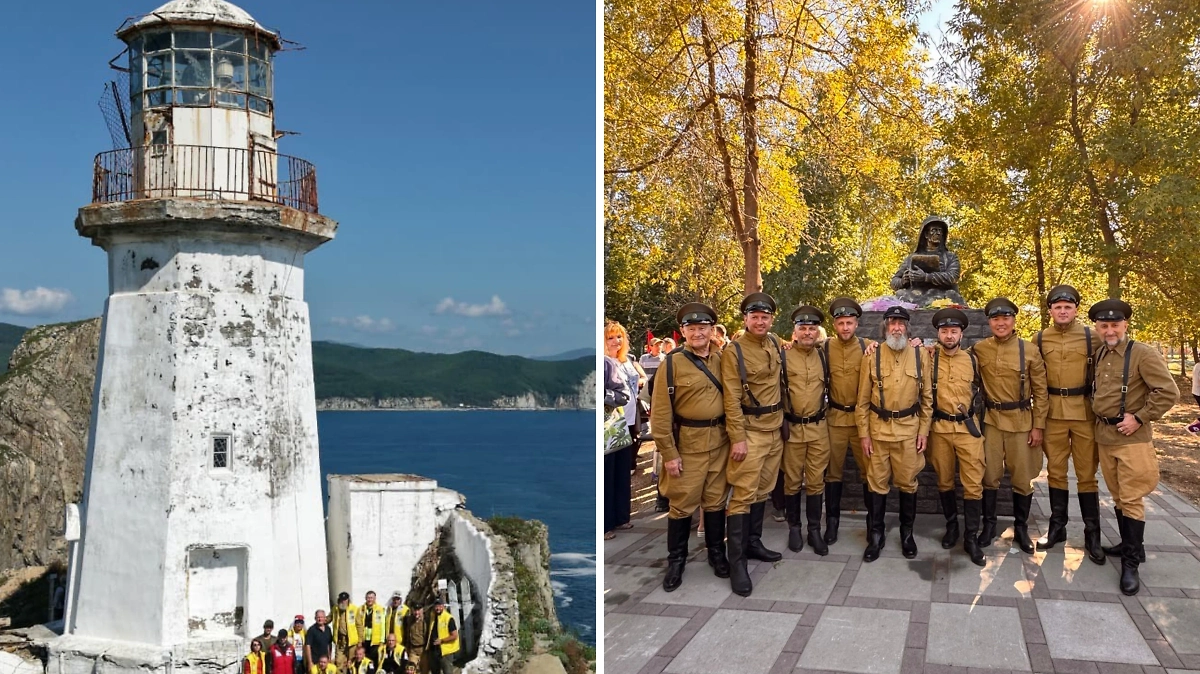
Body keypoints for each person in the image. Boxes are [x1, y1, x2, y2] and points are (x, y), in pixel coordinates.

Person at [1089, 299, 1179, 595]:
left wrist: (1139, 418)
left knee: (1131, 498)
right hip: (1105, 435)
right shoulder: (1101, 352)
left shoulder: (1142, 353)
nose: (1110, 329)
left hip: (1131, 438)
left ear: (1125, 325)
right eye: (1104, 325)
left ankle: (1131, 564)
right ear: (1098, 328)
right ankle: (1130, 546)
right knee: (1117, 495)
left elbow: (1168, 392)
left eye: (1115, 324)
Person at [652, 302, 730, 592]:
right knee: (682, 505)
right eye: (692, 328)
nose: (698, 333)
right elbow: (660, 415)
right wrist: (669, 454)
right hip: (688, 447)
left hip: (720, 443)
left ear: (712, 330)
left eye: (703, 328)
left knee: (715, 502)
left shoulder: (723, 359)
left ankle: (716, 555)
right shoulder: (671, 364)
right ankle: (676, 561)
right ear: (683, 331)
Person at [1033, 285, 1105, 562]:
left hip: (1085, 413)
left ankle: (1092, 533)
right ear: (1050, 310)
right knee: (1056, 472)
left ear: (1076, 309)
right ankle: (1057, 527)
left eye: (1068, 307)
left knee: (1087, 474)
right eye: (1057, 307)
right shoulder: (1040, 339)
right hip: (1052, 414)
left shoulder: (1093, 337)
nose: (1063, 311)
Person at [720, 292, 786, 597]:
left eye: (765, 317)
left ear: (772, 319)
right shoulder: (733, 351)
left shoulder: (773, 342)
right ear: (745, 319)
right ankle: (737, 562)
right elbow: (731, 399)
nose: (760, 321)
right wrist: (738, 438)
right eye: (754, 316)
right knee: (743, 494)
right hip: (750, 431)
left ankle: (753, 543)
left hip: (774, 430)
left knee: (763, 489)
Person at [971, 298, 1048, 554]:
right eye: (995, 319)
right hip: (992, 422)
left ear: (1014, 320)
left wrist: (1038, 426)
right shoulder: (980, 349)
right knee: (989, 476)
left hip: (1022, 422)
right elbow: (950, 356)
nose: (1001, 323)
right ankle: (989, 526)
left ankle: (1022, 528)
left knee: (1022, 478)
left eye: (1005, 318)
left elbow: (1041, 392)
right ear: (989, 322)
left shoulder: (1029, 350)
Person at [856, 306, 932, 562]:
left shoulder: (921, 355)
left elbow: (927, 399)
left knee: (908, 484)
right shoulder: (872, 356)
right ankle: (876, 536)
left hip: (909, 432)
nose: (896, 327)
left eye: (901, 323)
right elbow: (862, 402)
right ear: (885, 327)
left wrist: (924, 431)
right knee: (877, 485)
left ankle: (907, 535)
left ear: (908, 328)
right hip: (878, 433)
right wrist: (864, 435)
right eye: (892, 323)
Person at [927, 309, 987, 566]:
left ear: (961, 333)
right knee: (944, 480)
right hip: (939, 428)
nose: (949, 335)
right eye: (944, 331)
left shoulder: (974, 359)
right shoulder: (928, 358)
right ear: (938, 334)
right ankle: (952, 526)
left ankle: (971, 537)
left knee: (974, 482)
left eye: (953, 331)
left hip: (967, 429)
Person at [822, 298, 874, 545]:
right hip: (834, 419)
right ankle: (832, 523)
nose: (845, 327)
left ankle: (873, 524)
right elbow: (798, 348)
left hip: (862, 421)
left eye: (849, 323)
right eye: (841, 323)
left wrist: (922, 345)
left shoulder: (869, 347)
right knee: (833, 473)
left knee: (869, 472)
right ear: (835, 325)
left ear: (857, 324)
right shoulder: (824, 347)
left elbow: (901, 350)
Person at [781, 305, 832, 555]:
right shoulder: (783, 355)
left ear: (818, 332)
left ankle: (814, 530)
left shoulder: (824, 354)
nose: (808, 333)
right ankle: (794, 527)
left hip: (819, 428)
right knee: (791, 482)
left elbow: (854, 346)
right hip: (792, 428)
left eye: (812, 329)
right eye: (803, 328)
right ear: (795, 332)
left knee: (816, 481)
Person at [603, 320, 637, 539]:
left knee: (621, 471)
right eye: (609, 337)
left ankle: (621, 517)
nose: (615, 341)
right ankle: (606, 523)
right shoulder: (605, 362)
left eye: (619, 337)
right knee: (607, 474)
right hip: (611, 425)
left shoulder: (625, 361)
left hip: (623, 423)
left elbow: (626, 392)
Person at [424, 599, 459, 674]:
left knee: (447, 671)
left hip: (445, 651)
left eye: (439, 606)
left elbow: (454, 635)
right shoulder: (432, 616)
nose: (437, 608)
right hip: (433, 650)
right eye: (436, 606)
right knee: (435, 671)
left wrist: (442, 640)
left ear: (443, 606)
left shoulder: (449, 618)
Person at [331, 592, 362, 670]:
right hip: (340, 640)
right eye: (341, 600)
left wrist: (360, 641)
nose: (343, 602)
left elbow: (359, 625)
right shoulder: (335, 608)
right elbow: (329, 617)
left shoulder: (354, 609)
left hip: (352, 640)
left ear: (348, 600)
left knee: (351, 661)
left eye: (345, 600)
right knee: (339, 661)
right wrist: (322, 620)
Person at [358, 591, 386, 662]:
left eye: (371, 598)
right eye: (368, 598)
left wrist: (382, 640)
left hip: (375, 640)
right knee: (365, 658)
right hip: (364, 639)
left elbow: (382, 625)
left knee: (374, 659)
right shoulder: (361, 609)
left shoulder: (380, 609)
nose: (370, 600)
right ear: (365, 598)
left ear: (375, 599)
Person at [1189, 361, 1200, 434]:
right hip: (1198, 392)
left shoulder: (1197, 365)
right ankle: (1191, 428)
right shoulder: (1199, 366)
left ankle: (1192, 428)